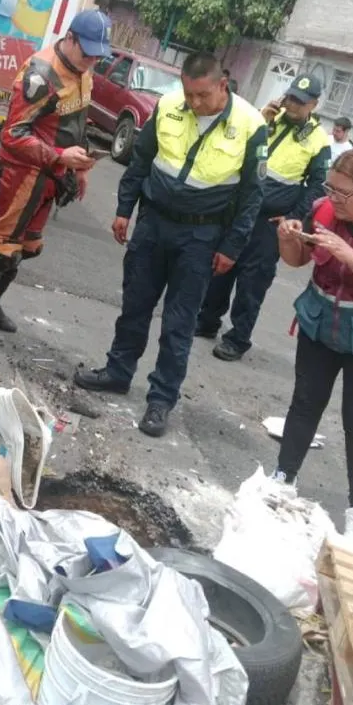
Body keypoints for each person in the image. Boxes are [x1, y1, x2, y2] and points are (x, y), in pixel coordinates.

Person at [74, 54, 268, 437]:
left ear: (222, 85)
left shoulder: (250, 125)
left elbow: (251, 196)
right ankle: (118, 371)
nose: (194, 103)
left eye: (202, 95)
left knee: (180, 322)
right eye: (188, 93)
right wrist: (124, 208)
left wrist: (232, 245)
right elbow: (141, 160)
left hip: (201, 235)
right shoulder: (167, 105)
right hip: (154, 223)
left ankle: (161, 399)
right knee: (135, 304)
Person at [0, 10, 112, 359]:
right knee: (3, 245)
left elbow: (77, 121)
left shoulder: (84, 73)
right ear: (70, 38)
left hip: (53, 176)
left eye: (96, 56)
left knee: (27, 247)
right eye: (86, 53)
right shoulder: (41, 75)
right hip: (23, 174)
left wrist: (81, 165)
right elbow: (13, 135)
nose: (90, 62)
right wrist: (60, 156)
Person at [196, 74, 330, 361]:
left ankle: (238, 338)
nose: (293, 106)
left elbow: (317, 186)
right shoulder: (268, 119)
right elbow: (236, 148)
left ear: (314, 105)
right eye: (291, 98)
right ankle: (207, 320)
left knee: (253, 281)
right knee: (221, 266)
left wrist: (294, 217)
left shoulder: (319, 141)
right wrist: (262, 119)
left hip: (271, 221)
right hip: (241, 210)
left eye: (301, 102)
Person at [274, 149, 353, 539]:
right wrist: (288, 238)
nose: (334, 200)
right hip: (318, 325)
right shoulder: (323, 209)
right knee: (304, 403)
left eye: (344, 194)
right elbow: (296, 260)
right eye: (331, 189)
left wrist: (350, 256)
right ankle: (283, 480)